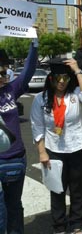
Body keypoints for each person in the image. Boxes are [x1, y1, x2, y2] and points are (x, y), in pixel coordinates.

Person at [30, 58, 82, 234]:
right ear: (51, 79)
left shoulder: (75, 94)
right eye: (58, 78)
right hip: (54, 149)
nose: (61, 82)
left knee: (77, 189)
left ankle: (76, 224)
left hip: (78, 147)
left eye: (65, 78)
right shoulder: (40, 99)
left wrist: (77, 70)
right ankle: (59, 226)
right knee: (57, 190)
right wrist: (42, 152)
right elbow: (37, 127)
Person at [0, 40, 37, 234]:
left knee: (14, 206)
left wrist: (34, 43)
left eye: (4, 71)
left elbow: (28, 70)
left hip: (16, 159)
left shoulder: (10, 90)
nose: (3, 75)